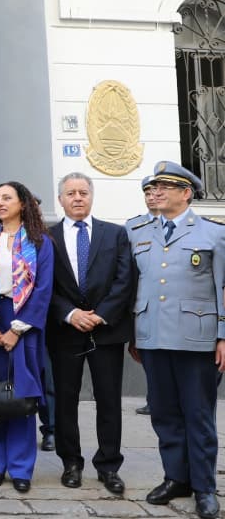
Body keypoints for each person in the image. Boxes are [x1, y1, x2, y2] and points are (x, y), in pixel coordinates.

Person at [131, 161, 225, 519]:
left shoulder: (213, 234)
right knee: (165, 414)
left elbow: (222, 288)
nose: (156, 193)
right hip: (153, 335)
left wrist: (222, 336)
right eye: (154, 188)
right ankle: (176, 477)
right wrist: (133, 335)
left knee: (198, 414)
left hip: (196, 338)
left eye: (165, 188)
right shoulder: (138, 230)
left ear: (186, 193)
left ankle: (204, 487)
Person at [47, 172, 133, 495]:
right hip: (65, 332)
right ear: (61, 200)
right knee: (65, 401)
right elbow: (44, 286)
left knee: (108, 400)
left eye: (83, 192)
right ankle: (71, 462)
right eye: (71, 193)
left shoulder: (115, 235)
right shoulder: (47, 237)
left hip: (106, 332)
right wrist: (69, 314)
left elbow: (125, 280)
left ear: (92, 196)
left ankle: (109, 465)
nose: (78, 198)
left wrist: (100, 315)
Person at [0, 180, 55, 493]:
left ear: (23, 203)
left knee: (21, 395)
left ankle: (21, 468)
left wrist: (16, 330)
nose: (0, 203)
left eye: (7, 198)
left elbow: (44, 289)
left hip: (24, 323)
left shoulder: (39, 242)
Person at [126, 175, 157, 417]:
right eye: (147, 193)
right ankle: (153, 398)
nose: (152, 197)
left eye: (156, 191)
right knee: (146, 355)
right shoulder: (133, 227)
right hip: (143, 304)